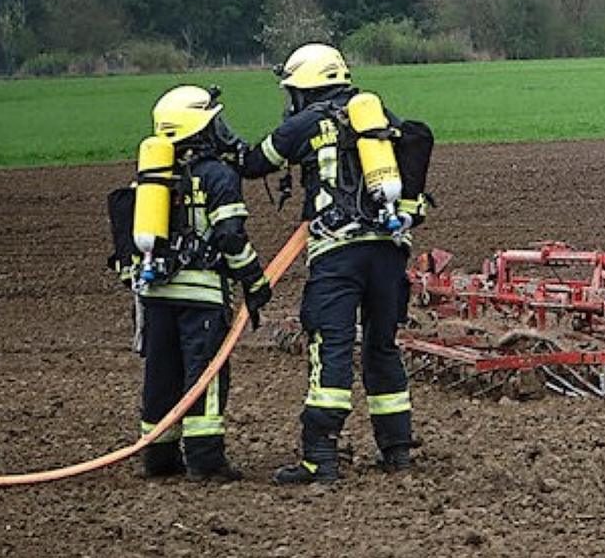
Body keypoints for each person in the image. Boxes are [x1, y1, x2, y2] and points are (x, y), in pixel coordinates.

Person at [241, 42, 427, 486]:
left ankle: (320, 458)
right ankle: (397, 452)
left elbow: (253, 163)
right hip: (388, 251)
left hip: (337, 255)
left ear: (304, 87)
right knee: (383, 347)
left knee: (332, 347)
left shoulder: (304, 123)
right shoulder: (378, 115)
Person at [132, 84, 271, 481]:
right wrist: (255, 282)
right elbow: (230, 236)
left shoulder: (152, 175)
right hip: (202, 296)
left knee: (161, 373)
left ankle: (158, 458)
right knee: (205, 374)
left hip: (155, 293)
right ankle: (205, 461)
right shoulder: (217, 175)